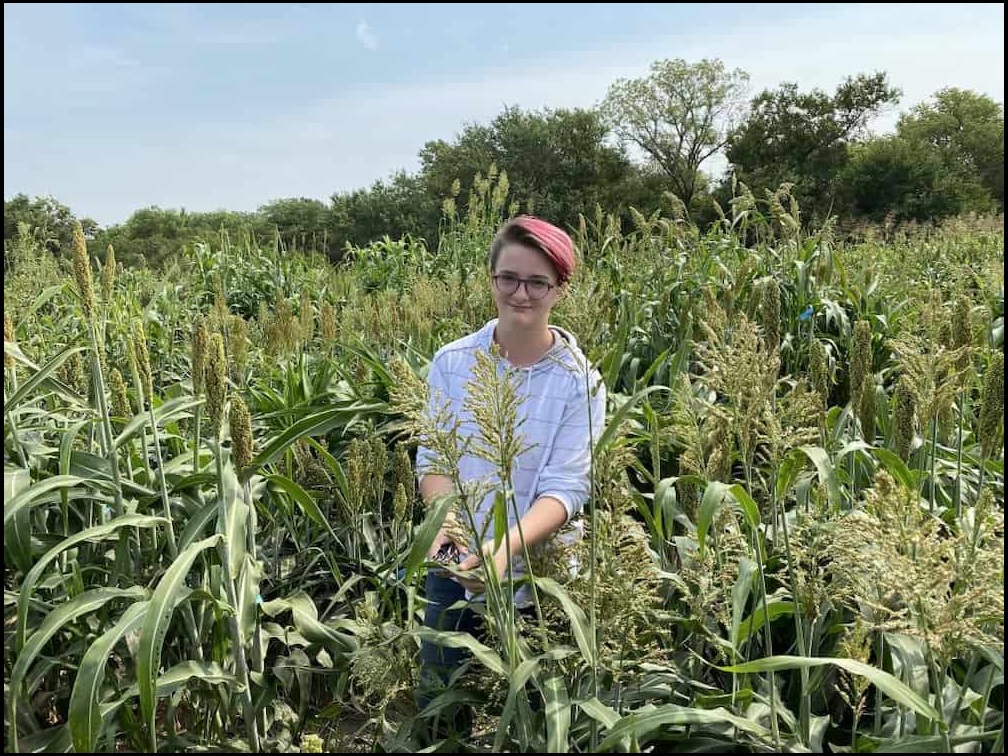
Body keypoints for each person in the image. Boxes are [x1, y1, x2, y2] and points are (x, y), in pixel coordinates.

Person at [413, 214, 607, 724]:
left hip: (544, 579)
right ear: (491, 279)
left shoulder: (580, 382)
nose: (521, 293)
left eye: (537, 281)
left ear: (559, 289)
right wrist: (450, 534)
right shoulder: (451, 363)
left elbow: (567, 489)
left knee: (534, 719)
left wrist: (504, 551)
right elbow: (434, 462)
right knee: (441, 708)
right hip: (457, 566)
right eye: (509, 278)